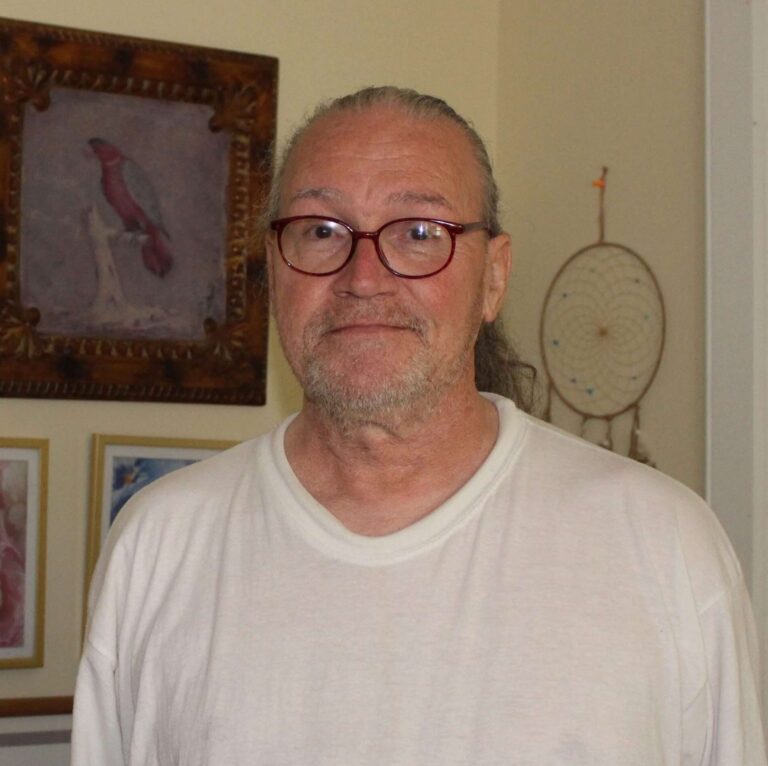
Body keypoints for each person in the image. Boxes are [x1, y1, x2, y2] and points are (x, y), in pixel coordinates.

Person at [71, 86, 766, 765]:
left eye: (419, 233)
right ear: (273, 273)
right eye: (320, 231)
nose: (364, 277)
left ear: (493, 279)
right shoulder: (159, 544)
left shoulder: (663, 544)